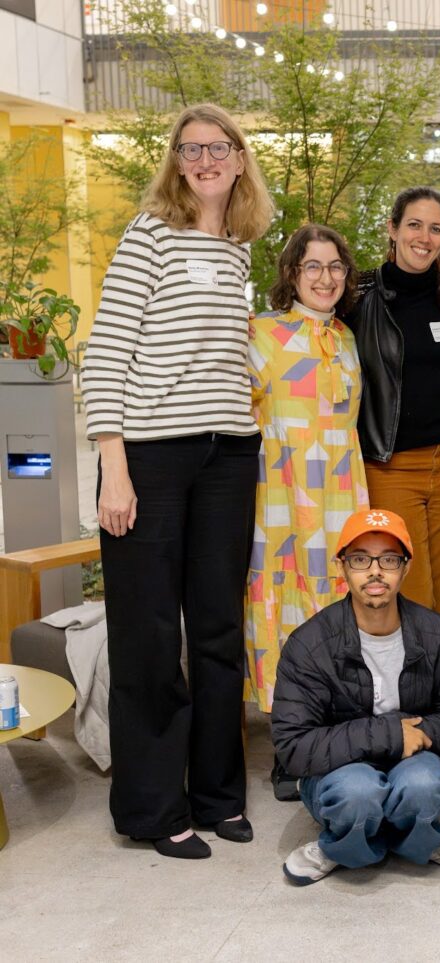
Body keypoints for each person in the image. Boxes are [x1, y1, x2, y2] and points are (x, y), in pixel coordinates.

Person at [81, 103, 274, 858]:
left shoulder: (237, 246)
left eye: (217, 147)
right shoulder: (147, 235)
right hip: (153, 457)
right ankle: (155, 807)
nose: (204, 159)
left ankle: (220, 793)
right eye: (190, 148)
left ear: (238, 157)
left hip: (229, 454)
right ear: (175, 159)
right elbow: (105, 358)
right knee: (150, 634)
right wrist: (114, 470)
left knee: (220, 629)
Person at [272, 509, 440, 885]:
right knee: (358, 792)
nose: (374, 571)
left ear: (405, 567)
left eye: (388, 559)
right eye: (360, 559)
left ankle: (423, 839)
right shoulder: (309, 645)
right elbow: (293, 746)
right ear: (342, 567)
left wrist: (418, 735)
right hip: (341, 770)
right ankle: (338, 844)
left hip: (415, 763)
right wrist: (391, 735)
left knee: (423, 787)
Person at [245, 225, 369, 714]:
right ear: (292, 273)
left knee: (338, 602)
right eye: (312, 266)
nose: (325, 277)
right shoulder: (260, 333)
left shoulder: (346, 337)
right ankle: (288, 728)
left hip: (341, 493)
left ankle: (334, 718)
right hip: (280, 493)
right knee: (283, 606)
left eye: (335, 265)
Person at [347, 187, 440, 627]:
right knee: (411, 587)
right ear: (392, 228)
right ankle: (411, 694)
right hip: (391, 464)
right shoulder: (360, 296)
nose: (424, 237)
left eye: (435, 228)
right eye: (414, 224)